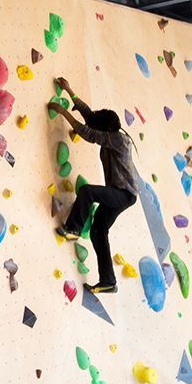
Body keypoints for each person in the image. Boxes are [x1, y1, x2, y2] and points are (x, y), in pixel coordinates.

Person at [52, 77, 137, 295]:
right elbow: (90, 118)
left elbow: (87, 132)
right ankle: (109, 281)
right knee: (99, 231)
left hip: (124, 194)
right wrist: (70, 91)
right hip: (121, 194)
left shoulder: (119, 140)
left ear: (107, 130)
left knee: (87, 191)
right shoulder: (112, 134)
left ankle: (73, 229)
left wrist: (63, 112)